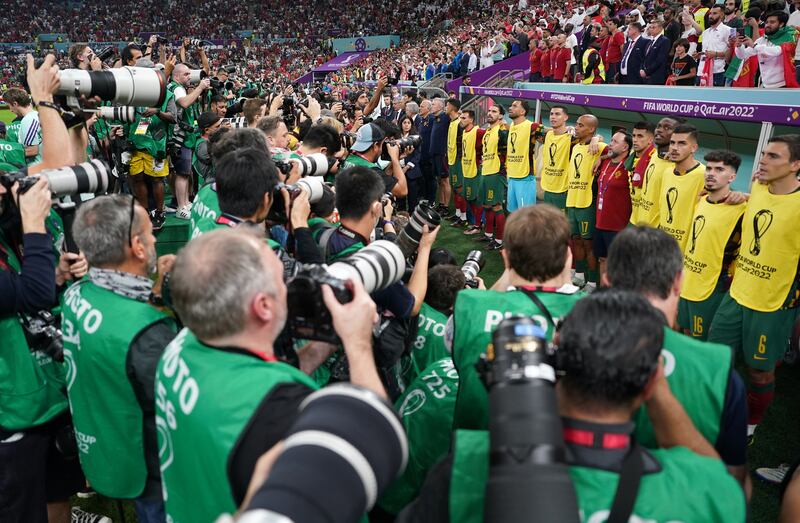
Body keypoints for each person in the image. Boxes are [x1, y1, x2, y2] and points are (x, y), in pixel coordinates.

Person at [402, 290, 746, 523]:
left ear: (555, 355)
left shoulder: (469, 466)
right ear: (651, 382)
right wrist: (656, 387)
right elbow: (721, 477)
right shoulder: (706, 492)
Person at [155, 227, 386, 522]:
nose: (291, 286)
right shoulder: (282, 410)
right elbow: (373, 443)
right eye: (281, 278)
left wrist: (324, 344)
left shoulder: (185, 343)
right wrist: (358, 342)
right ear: (263, 306)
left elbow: (253, 376)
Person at [0, 53, 93, 523]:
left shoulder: (7, 201)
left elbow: (55, 164)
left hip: (46, 386)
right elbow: (31, 294)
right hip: (12, 409)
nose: (8, 190)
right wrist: (36, 230)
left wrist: (44, 99)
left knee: (58, 489)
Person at [63, 195, 177, 522]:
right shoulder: (147, 334)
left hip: (105, 443)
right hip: (150, 463)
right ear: (137, 246)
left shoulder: (76, 292)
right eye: (150, 232)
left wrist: (154, 293)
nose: (156, 236)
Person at [605, 226, 748, 486]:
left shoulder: (573, 345)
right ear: (678, 282)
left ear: (607, 280)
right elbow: (734, 489)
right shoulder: (720, 371)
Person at [451, 205, 583, 431]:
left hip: (478, 452)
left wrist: (510, 265)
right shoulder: (592, 313)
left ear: (505, 257)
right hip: (561, 451)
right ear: (568, 257)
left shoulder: (469, 304)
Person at [709, 134, 800, 441]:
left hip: (772, 303)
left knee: (760, 370)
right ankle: (715, 408)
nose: (763, 161)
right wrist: (741, 196)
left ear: (796, 165)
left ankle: (751, 424)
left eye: (773, 156)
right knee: (717, 355)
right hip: (737, 293)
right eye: (764, 154)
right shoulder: (759, 187)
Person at [678, 150, 745, 341]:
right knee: (686, 331)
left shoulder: (742, 209)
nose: (711, 173)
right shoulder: (701, 200)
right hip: (688, 277)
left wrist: (745, 196)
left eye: (719, 169)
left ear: (732, 176)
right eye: (709, 168)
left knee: (704, 339)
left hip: (713, 284)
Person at [126, 58, 177, 231]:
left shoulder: (166, 93)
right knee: (137, 177)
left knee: (156, 179)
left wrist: (158, 111)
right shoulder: (131, 91)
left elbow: (173, 118)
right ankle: (145, 212)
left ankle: (159, 212)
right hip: (136, 141)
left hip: (156, 144)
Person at [566, 114, 607, 291]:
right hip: (572, 200)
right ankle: (580, 276)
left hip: (586, 203)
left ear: (591, 129)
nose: (576, 127)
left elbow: (619, 149)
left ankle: (592, 282)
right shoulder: (576, 147)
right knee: (576, 240)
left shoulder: (599, 147)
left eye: (581, 125)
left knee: (588, 243)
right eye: (577, 124)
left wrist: (599, 144)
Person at [169, 63, 212, 219]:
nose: (189, 77)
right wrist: (200, 88)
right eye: (186, 74)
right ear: (177, 76)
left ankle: (185, 203)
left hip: (184, 137)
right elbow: (184, 103)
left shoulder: (178, 88)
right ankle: (181, 207)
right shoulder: (177, 88)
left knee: (185, 173)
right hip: (180, 137)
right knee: (182, 174)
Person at [659, 123, 706, 253]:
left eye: (681, 143)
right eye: (672, 143)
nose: (674, 148)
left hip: (685, 253)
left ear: (694, 148)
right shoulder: (667, 172)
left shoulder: (704, 175)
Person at [593, 130, 632, 281]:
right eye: (611, 140)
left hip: (618, 227)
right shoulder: (605, 161)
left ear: (625, 148)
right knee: (602, 260)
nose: (611, 144)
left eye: (615, 142)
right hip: (600, 222)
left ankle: (615, 296)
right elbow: (595, 140)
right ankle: (603, 292)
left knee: (617, 264)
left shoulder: (629, 166)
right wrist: (597, 141)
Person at [734, 10, 800, 88]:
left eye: (772, 22)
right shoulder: (763, 39)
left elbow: (776, 51)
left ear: (781, 24)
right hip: (765, 85)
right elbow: (743, 55)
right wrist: (739, 46)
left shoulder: (789, 36)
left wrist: (754, 46)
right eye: (767, 22)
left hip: (783, 85)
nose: (768, 25)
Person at [341, 122, 407, 198]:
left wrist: (395, 160)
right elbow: (402, 191)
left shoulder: (350, 159)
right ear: (375, 145)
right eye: (382, 145)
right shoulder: (370, 172)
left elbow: (384, 179)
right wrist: (395, 159)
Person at [476, 105, 508, 250]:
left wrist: (503, 169)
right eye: (489, 111)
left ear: (501, 116)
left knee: (496, 206)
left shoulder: (503, 129)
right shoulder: (488, 130)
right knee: (487, 205)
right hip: (485, 170)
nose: (489, 113)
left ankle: (499, 240)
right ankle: (488, 234)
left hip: (496, 173)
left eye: (494, 112)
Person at [506, 100, 543, 212]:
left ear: (522, 111)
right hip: (512, 176)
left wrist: (596, 139)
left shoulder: (532, 126)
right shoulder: (512, 125)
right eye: (511, 105)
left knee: (525, 215)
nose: (510, 107)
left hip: (525, 177)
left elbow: (550, 131)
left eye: (514, 106)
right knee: (513, 213)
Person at [539, 106, 572, 212]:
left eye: (557, 114)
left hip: (562, 190)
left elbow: (596, 138)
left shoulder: (572, 137)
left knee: (560, 224)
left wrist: (596, 138)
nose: (553, 117)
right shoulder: (548, 134)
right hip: (547, 188)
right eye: (551, 114)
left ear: (566, 117)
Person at [460, 110, 486, 237]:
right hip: (466, 169)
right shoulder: (465, 132)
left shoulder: (479, 131)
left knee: (477, 199)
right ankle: (477, 222)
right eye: (461, 117)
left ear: (471, 120)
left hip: (475, 171)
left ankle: (478, 225)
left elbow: (491, 138)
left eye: (464, 118)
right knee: (469, 197)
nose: (461, 120)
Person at [626, 120, 657, 226]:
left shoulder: (656, 159)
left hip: (649, 223)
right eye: (634, 135)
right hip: (633, 218)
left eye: (640, 136)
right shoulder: (631, 155)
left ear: (650, 140)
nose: (635, 140)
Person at [694, 5, 732, 86]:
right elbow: (707, 52)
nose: (711, 16)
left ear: (722, 15)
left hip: (717, 71)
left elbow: (732, 53)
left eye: (714, 13)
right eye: (710, 13)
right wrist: (700, 55)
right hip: (701, 71)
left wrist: (715, 54)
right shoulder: (705, 32)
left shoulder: (728, 30)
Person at [3, 87, 42, 164]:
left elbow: (32, 150)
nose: (10, 110)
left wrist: (5, 154)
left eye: (9, 106)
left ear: (15, 104)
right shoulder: (35, 115)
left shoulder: (28, 120)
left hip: (34, 168)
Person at [443, 99, 465, 224]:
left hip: (458, 161)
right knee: (456, 188)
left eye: (447, 105)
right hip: (451, 159)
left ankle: (464, 217)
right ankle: (458, 214)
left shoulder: (460, 123)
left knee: (459, 188)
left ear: (452, 107)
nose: (446, 107)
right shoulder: (452, 122)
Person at [192, 112, 222, 187]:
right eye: (217, 126)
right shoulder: (202, 146)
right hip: (208, 186)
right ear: (207, 130)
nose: (221, 128)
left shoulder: (211, 141)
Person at [641, 20, 671, 84]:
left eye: (654, 27)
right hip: (646, 76)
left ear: (660, 28)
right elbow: (644, 57)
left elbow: (660, 60)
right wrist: (642, 69)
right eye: (650, 27)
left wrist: (647, 72)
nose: (651, 29)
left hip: (657, 75)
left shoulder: (664, 41)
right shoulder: (649, 42)